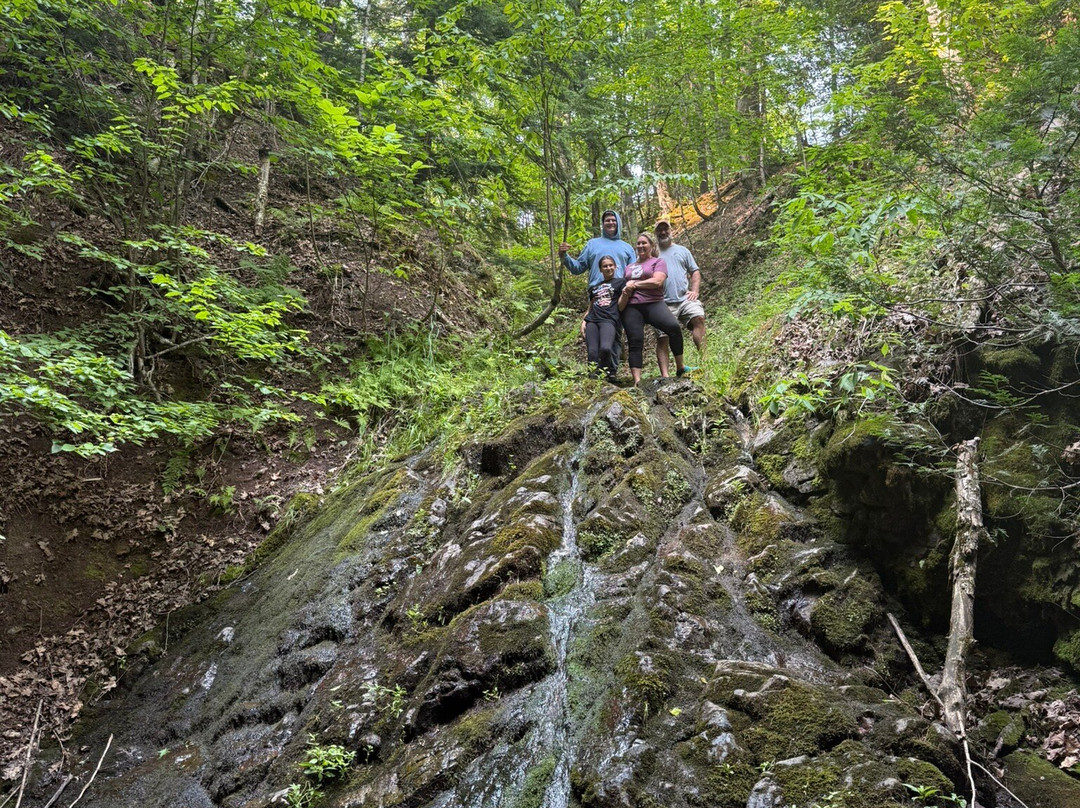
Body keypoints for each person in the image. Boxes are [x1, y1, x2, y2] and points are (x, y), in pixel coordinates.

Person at [619, 231, 686, 386]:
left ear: (651, 245)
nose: (641, 246)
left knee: (673, 328)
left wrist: (635, 284)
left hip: (653, 303)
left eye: (644, 243)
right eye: (639, 243)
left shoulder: (658, 262)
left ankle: (680, 366)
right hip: (632, 307)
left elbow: (657, 281)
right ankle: (637, 381)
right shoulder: (629, 267)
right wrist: (626, 292)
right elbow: (625, 287)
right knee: (635, 340)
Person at [653, 220, 706, 376]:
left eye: (666, 229)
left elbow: (694, 271)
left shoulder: (682, 251)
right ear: (655, 233)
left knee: (698, 319)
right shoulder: (653, 254)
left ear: (671, 231)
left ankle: (705, 361)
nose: (663, 232)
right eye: (659, 230)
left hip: (684, 299)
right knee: (663, 337)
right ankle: (666, 376)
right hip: (662, 303)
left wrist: (695, 290)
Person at [581, 256, 627, 383]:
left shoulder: (621, 282)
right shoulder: (594, 287)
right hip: (592, 321)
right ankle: (592, 379)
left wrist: (626, 294)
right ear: (600, 269)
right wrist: (584, 321)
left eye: (610, 265)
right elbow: (590, 308)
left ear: (615, 266)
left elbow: (621, 305)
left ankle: (608, 374)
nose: (608, 268)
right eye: (605, 266)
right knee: (592, 351)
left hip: (609, 319)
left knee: (606, 348)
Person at [558, 209, 636, 284]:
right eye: (607, 220)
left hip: (621, 293)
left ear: (618, 223)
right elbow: (577, 268)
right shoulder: (592, 244)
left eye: (613, 220)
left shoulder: (628, 248)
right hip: (596, 292)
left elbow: (633, 275)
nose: (611, 222)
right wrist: (564, 255)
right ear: (603, 224)